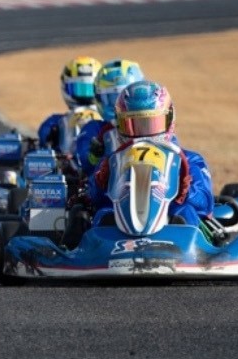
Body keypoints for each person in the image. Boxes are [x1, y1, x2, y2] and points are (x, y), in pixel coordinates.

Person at [86, 81, 216, 237]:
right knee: (104, 214)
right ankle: (97, 252)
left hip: (171, 221)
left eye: (150, 124)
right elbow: (91, 198)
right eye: (133, 125)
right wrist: (100, 182)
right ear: (120, 125)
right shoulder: (112, 162)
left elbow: (206, 204)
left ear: (169, 119)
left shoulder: (189, 160)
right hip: (122, 223)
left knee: (185, 213)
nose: (144, 134)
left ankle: (193, 255)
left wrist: (187, 190)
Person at [74, 58, 145, 182]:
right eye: (113, 98)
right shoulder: (94, 129)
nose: (120, 104)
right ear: (99, 98)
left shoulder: (155, 129)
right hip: (108, 191)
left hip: (151, 187)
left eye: (126, 97)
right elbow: (85, 164)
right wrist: (95, 155)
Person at [35, 56, 101, 157]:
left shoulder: (106, 121)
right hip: (65, 163)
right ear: (65, 87)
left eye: (89, 89)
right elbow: (43, 135)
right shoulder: (56, 121)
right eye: (80, 89)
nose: (85, 95)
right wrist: (52, 135)